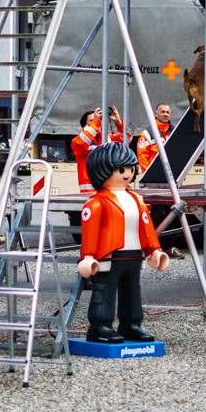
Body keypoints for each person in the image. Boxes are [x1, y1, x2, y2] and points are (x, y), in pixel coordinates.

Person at [77, 142, 168, 344]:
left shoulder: (136, 199)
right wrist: (88, 256)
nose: (127, 174)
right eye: (121, 170)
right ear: (102, 171)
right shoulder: (97, 201)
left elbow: (146, 226)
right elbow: (90, 230)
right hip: (109, 254)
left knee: (132, 290)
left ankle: (131, 324)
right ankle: (100, 326)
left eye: (130, 169)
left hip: (134, 253)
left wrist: (154, 250)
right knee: (105, 289)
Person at [71, 104, 129, 193]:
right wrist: (96, 121)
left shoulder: (109, 138)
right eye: (91, 120)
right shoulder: (77, 142)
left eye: (98, 120)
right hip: (89, 193)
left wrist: (118, 122)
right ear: (84, 126)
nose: (97, 122)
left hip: (109, 191)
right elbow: (83, 141)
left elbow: (128, 138)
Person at [136, 102, 172, 174]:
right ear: (156, 114)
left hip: (173, 175)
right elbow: (142, 157)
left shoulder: (174, 131)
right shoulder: (147, 134)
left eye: (167, 112)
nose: (165, 114)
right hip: (155, 175)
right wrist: (148, 175)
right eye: (162, 112)